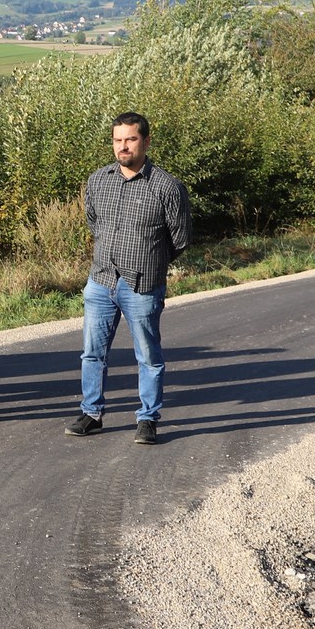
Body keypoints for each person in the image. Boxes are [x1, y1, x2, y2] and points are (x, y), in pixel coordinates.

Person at [66, 112, 191, 445]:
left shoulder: (167, 187)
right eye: (117, 140)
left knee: (148, 357)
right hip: (101, 280)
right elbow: (94, 222)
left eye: (130, 139)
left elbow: (180, 239)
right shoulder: (98, 180)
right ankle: (91, 414)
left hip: (142, 286)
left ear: (146, 141)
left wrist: (150, 262)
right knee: (92, 354)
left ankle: (147, 419)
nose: (123, 146)